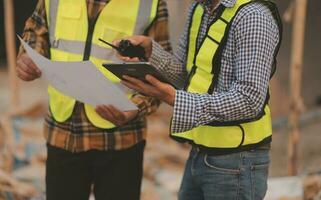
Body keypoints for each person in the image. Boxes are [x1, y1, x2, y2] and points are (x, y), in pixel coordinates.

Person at [117, 0, 282, 199]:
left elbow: (249, 100)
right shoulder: (199, 9)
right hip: (199, 152)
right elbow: (187, 74)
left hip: (237, 163)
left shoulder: (253, 17)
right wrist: (151, 51)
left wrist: (174, 98)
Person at [16, 0, 171, 199]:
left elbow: (162, 69)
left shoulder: (150, 3)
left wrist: (137, 108)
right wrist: (29, 57)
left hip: (121, 139)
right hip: (63, 132)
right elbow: (37, 29)